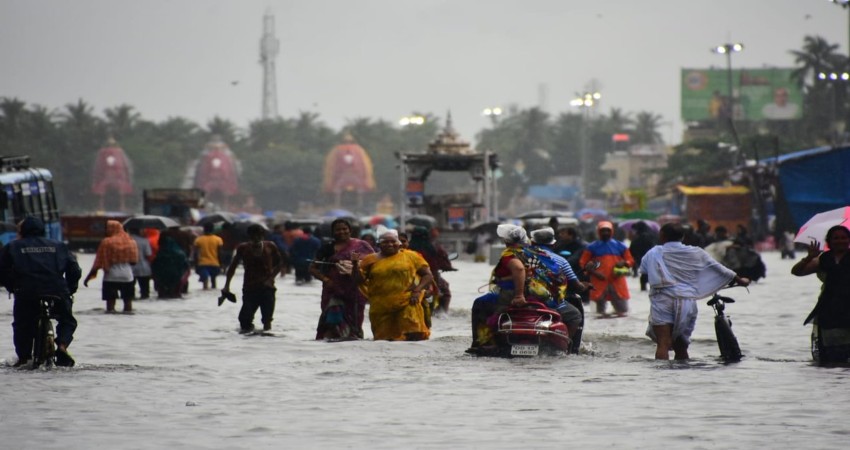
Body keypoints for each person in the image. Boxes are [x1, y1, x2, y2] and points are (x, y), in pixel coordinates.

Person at [640, 223, 750, 360]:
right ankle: (684, 376)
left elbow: (643, 270)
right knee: (681, 345)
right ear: (683, 237)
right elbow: (719, 268)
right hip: (687, 301)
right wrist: (741, 281)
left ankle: (662, 379)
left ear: (662, 236)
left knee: (663, 343)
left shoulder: (654, 253)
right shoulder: (696, 252)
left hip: (662, 300)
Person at [0, 217, 81, 367]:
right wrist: (70, 289)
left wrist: (13, 287)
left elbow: (2, 271)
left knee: (22, 325)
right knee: (67, 320)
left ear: (22, 231)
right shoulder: (59, 246)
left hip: (26, 293)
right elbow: (74, 270)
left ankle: (24, 358)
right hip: (57, 291)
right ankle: (62, 346)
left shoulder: (13, 247)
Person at [353, 229, 432, 341]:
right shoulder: (370, 259)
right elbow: (358, 280)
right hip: (380, 307)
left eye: (393, 241)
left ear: (399, 243)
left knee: (414, 335)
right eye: (385, 242)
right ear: (379, 244)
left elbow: (428, 275)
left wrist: (417, 290)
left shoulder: (412, 256)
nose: (390, 244)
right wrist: (355, 264)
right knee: (384, 340)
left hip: (407, 302)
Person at [791, 225, 850, 362]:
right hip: (829, 309)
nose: (840, 241)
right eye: (836, 238)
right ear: (829, 241)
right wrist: (809, 257)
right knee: (830, 357)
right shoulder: (823, 259)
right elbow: (797, 272)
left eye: (844, 238)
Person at [310, 219, 374, 340]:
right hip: (333, 291)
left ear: (350, 230)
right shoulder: (327, 248)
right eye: (338, 229)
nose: (341, 232)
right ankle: (330, 347)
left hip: (355, 291)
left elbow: (374, 264)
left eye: (344, 229)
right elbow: (312, 268)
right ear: (333, 232)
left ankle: (351, 346)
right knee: (332, 321)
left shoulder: (362, 246)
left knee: (354, 324)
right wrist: (326, 280)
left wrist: (355, 264)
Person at [469, 224, 530, 349]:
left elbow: (519, 269)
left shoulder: (510, 255)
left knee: (479, 303)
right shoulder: (526, 253)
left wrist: (519, 295)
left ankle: (481, 342)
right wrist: (501, 279)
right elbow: (525, 272)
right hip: (525, 290)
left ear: (506, 240)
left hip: (508, 293)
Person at [222, 224, 283, 333]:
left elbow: (280, 264)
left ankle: (265, 339)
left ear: (263, 236)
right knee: (244, 319)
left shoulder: (270, 246)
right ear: (249, 237)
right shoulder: (243, 248)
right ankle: (249, 337)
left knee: (267, 320)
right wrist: (226, 286)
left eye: (259, 236)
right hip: (250, 288)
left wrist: (271, 278)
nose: (256, 239)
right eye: (254, 236)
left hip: (267, 289)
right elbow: (232, 267)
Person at [529, 227, 585, 341]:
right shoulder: (561, 260)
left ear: (532, 242)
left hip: (525, 299)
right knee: (575, 316)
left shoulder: (522, 256)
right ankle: (567, 345)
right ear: (553, 245)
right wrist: (584, 286)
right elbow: (576, 285)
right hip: (551, 303)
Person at [579, 221, 634, 317]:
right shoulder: (592, 247)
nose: (605, 233)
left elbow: (630, 260)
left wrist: (624, 263)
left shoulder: (620, 245)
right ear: (598, 232)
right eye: (603, 230)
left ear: (612, 231)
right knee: (598, 313)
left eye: (607, 230)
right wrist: (595, 273)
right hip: (599, 281)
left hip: (617, 281)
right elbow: (583, 263)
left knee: (623, 311)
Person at [84, 220, 139, 313]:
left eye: (107, 228)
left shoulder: (106, 242)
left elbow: (98, 262)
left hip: (110, 276)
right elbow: (134, 262)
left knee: (110, 306)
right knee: (128, 304)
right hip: (127, 277)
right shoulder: (131, 241)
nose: (105, 231)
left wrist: (88, 278)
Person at [408, 226, 455, 315]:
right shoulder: (435, 248)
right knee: (445, 291)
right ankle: (443, 313)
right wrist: (448, 267)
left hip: (410, 278)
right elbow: (444, 262)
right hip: (432, 277)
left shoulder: (407, 249)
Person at [193, 222, 224, 290]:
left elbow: (195, 254)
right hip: (215, 263)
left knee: (205, 284)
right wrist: (221, 264)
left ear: (204, 229)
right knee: (214, 281)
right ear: (213, 229)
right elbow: (220, 253)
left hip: (203, 264)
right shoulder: (218, 239)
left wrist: (195, 264)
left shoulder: (198, 239)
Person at [628, 221, 658, 292]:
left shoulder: (640, 236)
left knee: (644, 276)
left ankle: (644, 288)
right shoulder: (654, 234)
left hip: (642, 258)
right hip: (654, 258)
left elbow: (633, 248)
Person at [127, 227, 153, 299]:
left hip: (129, 269)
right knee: (145, 292)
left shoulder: (126, 241)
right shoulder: (144, 241)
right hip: (143, 268)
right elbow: (148, 255)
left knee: (129, 292)